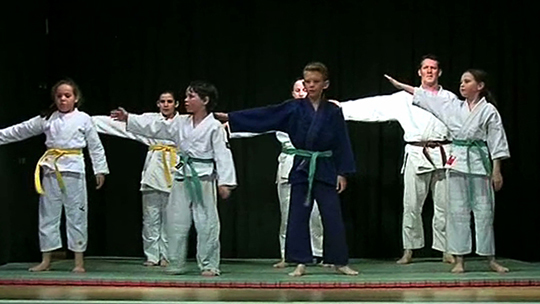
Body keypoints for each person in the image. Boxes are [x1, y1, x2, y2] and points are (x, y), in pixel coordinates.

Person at [215, 62, 357, 277]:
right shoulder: (294, 108)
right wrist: (233, 118)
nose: (310, 86)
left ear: (325, 84)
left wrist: (342, 172)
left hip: (326, 166)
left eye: (315, 82)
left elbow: (342, 142)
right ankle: (300, 262)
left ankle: (339, 261)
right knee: (298, 215)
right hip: (301, 166)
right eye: (307, 81)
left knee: (332, 215)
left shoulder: (333, 111)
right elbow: (267, 115)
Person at [386, 69, 510, 273]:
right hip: (457, 161)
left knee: (484, 211)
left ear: (479, 86)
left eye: (467, 81)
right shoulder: (453, 107)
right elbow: (425, 98)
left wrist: (497, 170)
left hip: (480, 163)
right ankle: (459, 259)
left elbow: (497, 141)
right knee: (457, 211)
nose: (462, 85)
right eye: (461, 81)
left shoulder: (489, 111)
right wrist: (401, 86)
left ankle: (490, 258)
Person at [339, 55, 456, 264]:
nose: (430, 71)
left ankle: (447, 249)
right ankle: (409, 249)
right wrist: (340, 108)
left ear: (439, 72)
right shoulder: (404, 98)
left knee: (444, 206)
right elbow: (374, 107)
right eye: (426, 68)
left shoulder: (449, 98)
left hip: (444, 153)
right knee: (411, 205)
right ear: (420, 72)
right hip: (416, 153)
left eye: (434, 68)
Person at [111, 81, 236, 276]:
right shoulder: (180, 122)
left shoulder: (214, 126)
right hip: (181, 173)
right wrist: (129, 118)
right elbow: (155, 127)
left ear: (205, 100)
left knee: (206, 222)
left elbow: (223, 154)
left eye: (191, 96)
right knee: (175, 220)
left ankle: (209, 264)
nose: (186, 100)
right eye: (186, 96)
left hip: (203, 176)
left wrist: (225, 182)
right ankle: (175, 262)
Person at [0, 79, 109, 273]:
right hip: (51, 170)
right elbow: (20, 130)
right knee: (48, 215)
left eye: (67, 96)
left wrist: (99, 169)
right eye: (59, 96)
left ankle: (78, 261)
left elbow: (95, 146)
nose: (63, 99)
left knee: (77, 214)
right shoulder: (48, 117)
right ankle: (46, 259)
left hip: (74, 171)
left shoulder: (83, 118)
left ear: (76, 98)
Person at [229, 79, 325, 268]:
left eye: (305, 89)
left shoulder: (323, 113)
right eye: (298, 90)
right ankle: (287, 254)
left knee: (316, 213)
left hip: (314, 163)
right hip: (289, 163)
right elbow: (258, 124)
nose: (301, 93)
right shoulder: (284, 114)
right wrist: (230, 127)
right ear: (293, 93)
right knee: (288, 212)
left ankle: (318, 253)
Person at [93, 91, 179, 267]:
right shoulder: (149, 119)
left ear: (176, 104)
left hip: (174, 169)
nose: (166, 104)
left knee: (171, 218)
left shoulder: (184, 122)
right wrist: (86, 121)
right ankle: (152, 255)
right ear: (157, 103)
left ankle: (168, 256)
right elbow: (122, 126)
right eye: (162, 101)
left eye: (169, 101)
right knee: (150, 217)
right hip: (153, 170)